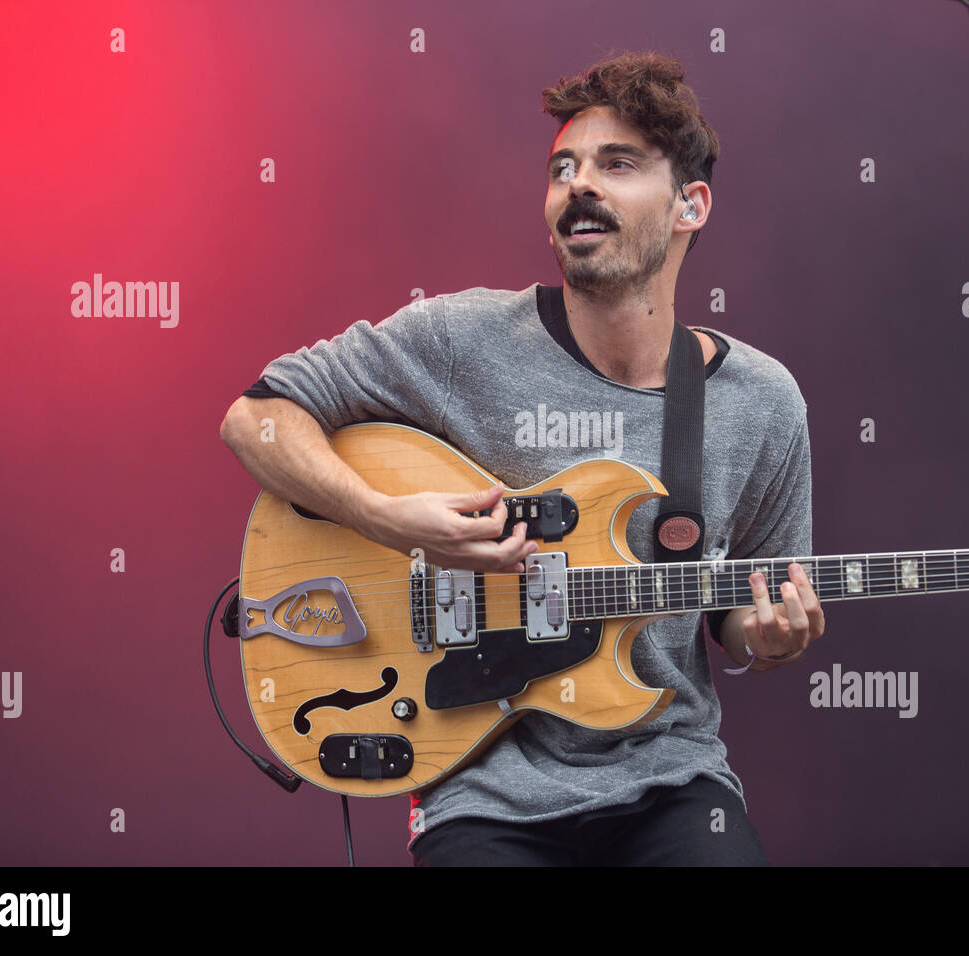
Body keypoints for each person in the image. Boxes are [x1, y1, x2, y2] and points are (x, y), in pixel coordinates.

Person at [219, 51, 824, 866]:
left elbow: (738, 609)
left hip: (671, 781)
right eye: (562, 168)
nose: (579, 184)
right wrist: (391, 521)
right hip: (479, 784)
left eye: (618, 164)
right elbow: (255, 417)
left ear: (691, 205)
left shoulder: (762, 402)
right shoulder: (460, 339)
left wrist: (766, 636)